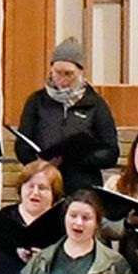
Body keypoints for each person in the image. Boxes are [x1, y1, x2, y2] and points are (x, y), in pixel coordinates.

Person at [14, 37, 119, 189]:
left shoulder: (95, 104)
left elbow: (111, 153)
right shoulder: (36, 101)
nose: (61, 79)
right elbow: (22, 145)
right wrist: (39, 163)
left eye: (68, 74)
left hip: (82, 184)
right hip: (44, 182)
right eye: (57, 72)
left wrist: (76, 158)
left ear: (81, 72)